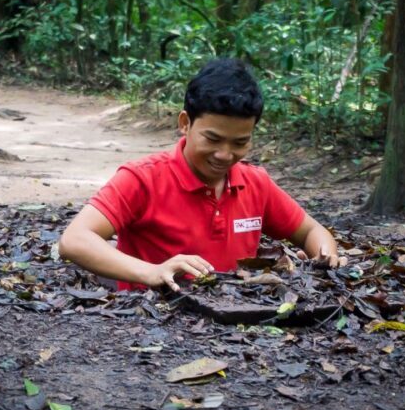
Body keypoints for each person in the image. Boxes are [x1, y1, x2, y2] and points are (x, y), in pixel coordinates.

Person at [59, 58, 339, 292]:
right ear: (185, 123)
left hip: (239, 329)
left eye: (240, 142)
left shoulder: (255, 183)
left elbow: (312, 231)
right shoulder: (142, 179)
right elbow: (74, 240)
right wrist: (154, 272)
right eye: (213, 139)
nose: (225, 155)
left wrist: (325, 257)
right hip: (149, 326)